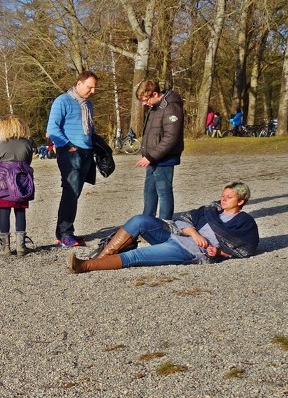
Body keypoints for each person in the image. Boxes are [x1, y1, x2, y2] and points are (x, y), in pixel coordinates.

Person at [70, 182, 259, 273]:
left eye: (229, 197)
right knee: (140, 220)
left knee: (135, 257)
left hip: (189, 250)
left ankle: (86, 266)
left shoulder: (244, 221)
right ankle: (104, 258)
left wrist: (218, 251)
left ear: (241, 201)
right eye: (223, 195)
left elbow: (244, 248)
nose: (223, 199)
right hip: (179, 236)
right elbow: (184, 219)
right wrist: (193, 232)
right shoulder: (211, 209)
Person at [46, 70, 99, 247]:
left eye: (94, 88)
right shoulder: (62, 101)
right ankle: (64, 234)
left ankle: (66, 232)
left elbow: (89, 129)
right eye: (89, 87)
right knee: (70, 193)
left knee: (74, 194)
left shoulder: (88, 105)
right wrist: (68, 146)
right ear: (79, 84)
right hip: (70, 153)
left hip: (86, 152)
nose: (92, 91)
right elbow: (53, 128)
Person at [135, 81, 184, 219]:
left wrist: (151, 156)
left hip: (164, 158)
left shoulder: (171, 106)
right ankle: (147, 220)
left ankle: (165, 223)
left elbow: (171, 137)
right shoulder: (155, 106)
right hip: (153, 157)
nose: (144, 104)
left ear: (155, 94)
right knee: (149, 191)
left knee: (164, 192)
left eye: (146, 100)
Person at [0, 116, 35, 257]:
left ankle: (6, 247)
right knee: (20, 212)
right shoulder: (26, 143)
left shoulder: (0, 144)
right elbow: (28, 161)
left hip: (4, 182)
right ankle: (21, 246)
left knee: (4, 211)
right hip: (21, 181)